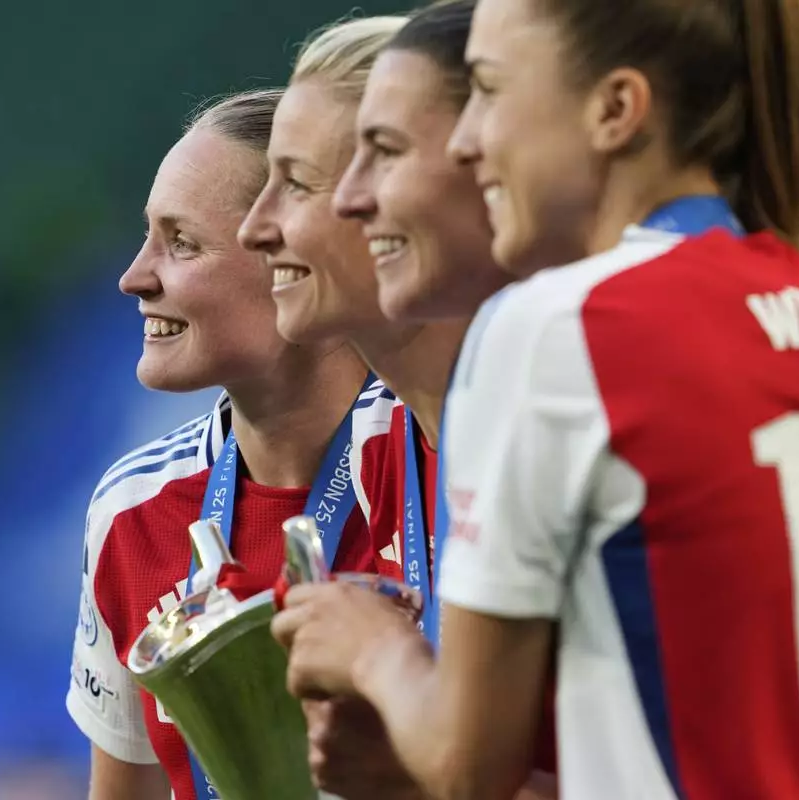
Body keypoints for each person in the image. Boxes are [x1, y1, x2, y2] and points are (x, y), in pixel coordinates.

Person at [272, 0, 799, 798]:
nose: (469, 139)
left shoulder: (556, 329)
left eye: (491, 92)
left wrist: (373, 650)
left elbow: (468, 766)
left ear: (615, 110)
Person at [238, 10, 556, 799]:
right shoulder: (387, 447)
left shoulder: (562, 417)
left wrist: (387, 670)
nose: (256, 226)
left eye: (297, 183)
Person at [66, 89, 379, 800]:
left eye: (181, 242)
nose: (135, 277)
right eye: (148, 237)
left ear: (291, 250)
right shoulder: (133, 507)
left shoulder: (436, 460)